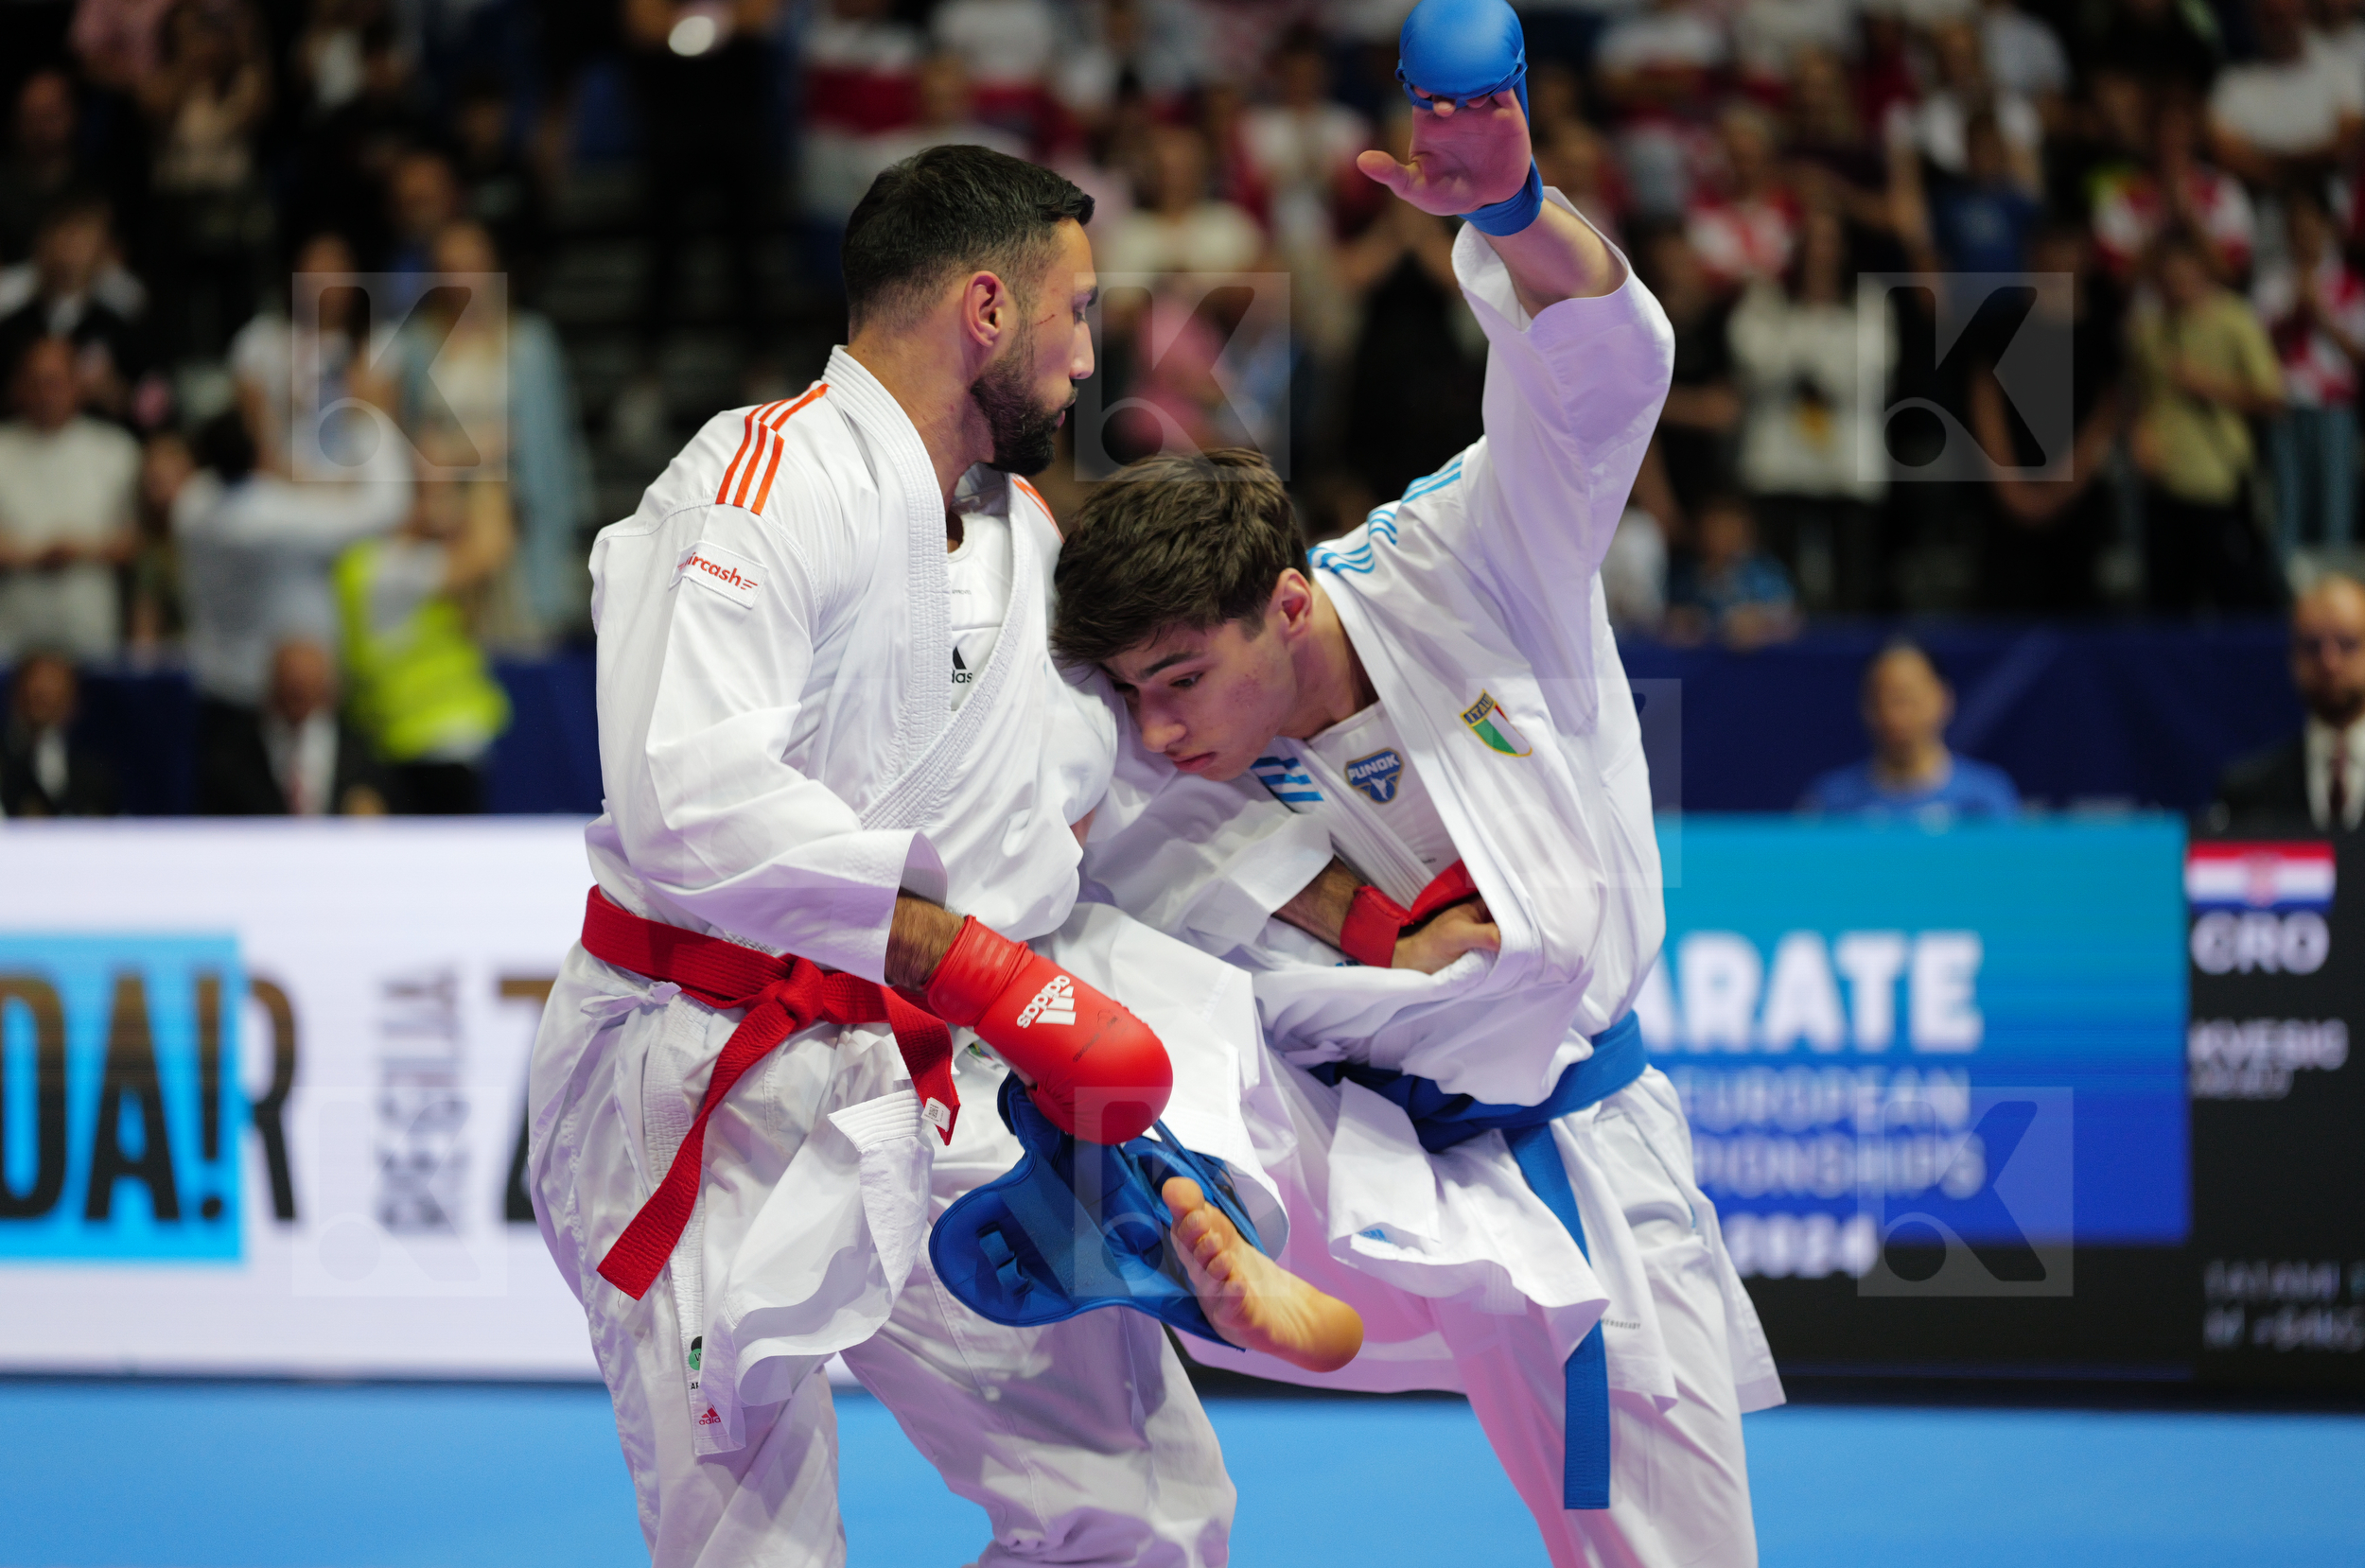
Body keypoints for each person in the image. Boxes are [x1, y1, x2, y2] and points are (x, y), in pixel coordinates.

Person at [524, 143, 1360, 1568]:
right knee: (750, 1547)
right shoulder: (752, 483)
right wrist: (982, 970)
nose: (1090, 361)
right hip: (702, 1071)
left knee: (1146, 1517)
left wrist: (1367, 908)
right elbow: (684, 797)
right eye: (1077, 313)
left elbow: (1096, 788)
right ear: (987, 309)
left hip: (938, 1077)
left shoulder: (1020, 532)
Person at [1053, 15, 1781, 1560]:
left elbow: (1599, 381)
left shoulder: (1472, 556)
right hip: (1347, 1147)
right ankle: (1202, 1218)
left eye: (1184, 682)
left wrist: (1519, 220)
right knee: (1100, 949)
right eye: (1136, 696)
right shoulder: (1148, 751)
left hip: (1566, 1127)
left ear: (1291, 605)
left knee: (1664, 1549)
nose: (1162, 732)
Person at [332, 466, 514, 815]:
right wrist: (489, 469)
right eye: (437, 496)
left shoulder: (368, 564)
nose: (449, 508)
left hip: (413, 742)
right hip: (429, 746)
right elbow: (489, 551)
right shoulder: (391, 568)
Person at [2128, 229, 2286, 613]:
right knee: (2166, 604)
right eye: (2167, 277)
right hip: (2161, 485)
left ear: (2203, 272)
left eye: (2185, 274)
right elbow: (2136, 395)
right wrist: (2138, 434)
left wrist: (2211, 386)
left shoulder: (2236, 320)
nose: (2176, 285)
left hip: (2220, 481)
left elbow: (2273, 400)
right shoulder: (2146, 329)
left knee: (2234, 598)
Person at [0, 335, 139, 661]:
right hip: (12, 624)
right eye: (35, 383)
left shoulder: (116, 449)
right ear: (18, 387)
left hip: (89, 623)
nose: (45, 394)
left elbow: (135, 540)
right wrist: (32, 556)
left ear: (77, 385)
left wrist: (81, 549)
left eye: (54, 382)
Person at [2214, 571, 2365, 831]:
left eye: (2347, 643)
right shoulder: (2247, 791)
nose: (2329, 663)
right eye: (2313, 646)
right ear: (2292, 657)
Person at [1800, 641, 2022, 818]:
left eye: (1906, 699)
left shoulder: (1987, 798)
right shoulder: (1830, 801)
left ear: (1943, 699)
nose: (1893, 715)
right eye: (1880, 700)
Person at [196, 636, 390, 816]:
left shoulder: (361, 750)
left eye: (307, 687)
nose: (298, 692)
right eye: (291, 686)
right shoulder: (232, 753)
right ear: (272, 686)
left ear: (328, 689)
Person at [0, 650, 117, 817]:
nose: (42, 691)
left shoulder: (93, 773)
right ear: (16, 692)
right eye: (35, 683)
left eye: (53, 682)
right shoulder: (6, 760)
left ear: (73, 701)